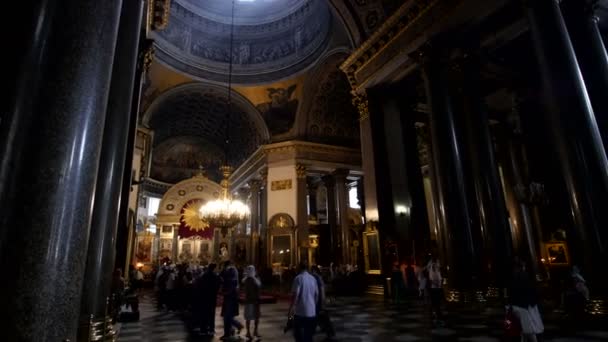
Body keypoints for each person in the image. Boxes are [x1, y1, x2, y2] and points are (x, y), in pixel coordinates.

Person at [508, 259, 544, 342]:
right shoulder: (524, 276)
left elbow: (518, 292)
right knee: (527, 328)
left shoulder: (519, 277)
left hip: (523, 306)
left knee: (528, 329)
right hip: (526, 305)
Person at [288, 261, 318, 342]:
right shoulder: (313, 279)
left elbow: (295, 296)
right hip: (311, 312)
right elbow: (316, 295)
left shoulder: (298, 278)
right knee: (309, 336)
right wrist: (313, 306)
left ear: (299, 268)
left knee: (299, 336)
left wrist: (290, 311)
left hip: (300, 312)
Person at [220, 261, 243, 340]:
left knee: (227, 317)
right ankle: (229, 332)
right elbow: (223, 277)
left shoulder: (232, 271)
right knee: (227, 317)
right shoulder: (231, 271)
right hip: (229, 297)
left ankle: (236, 327)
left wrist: (226, 292)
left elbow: (232, 284)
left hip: (231, 297)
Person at [196, 263, 220, 336]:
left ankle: (203, 329)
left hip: (204, 297)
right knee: (211, 314)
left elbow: (199, 285)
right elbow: (217, 286)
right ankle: (211, 329)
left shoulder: (203, 275)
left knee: (204, 314)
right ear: (214, 268)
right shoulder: (215, 276)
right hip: (211, 297)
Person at [311, 265, 335, 339]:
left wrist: (322, 301)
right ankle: (327, 330)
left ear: (314, 271)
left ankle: (329, 331)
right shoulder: (317, 278)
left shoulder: (317, 278)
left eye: (312, 271)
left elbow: (321, 289)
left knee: (322, 316)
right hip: (318, 300)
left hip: (319, 300)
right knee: (320, 316)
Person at [242, 265, 261, 340]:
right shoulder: (249, 280)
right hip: (252, 301)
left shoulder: (249, 280)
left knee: (253, 317)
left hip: (252, 301)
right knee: (250, 317)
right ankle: (250, 332)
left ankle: (252, 332)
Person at [426, 256, 444, 326]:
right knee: (434, 302)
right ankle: (434, 315)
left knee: (437, 302)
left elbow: (439, 276)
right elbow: (431, 277)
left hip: (437, 287)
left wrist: (439, 283)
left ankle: (437, 315)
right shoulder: (431, 266)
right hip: (434, 288)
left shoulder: (437, 268)